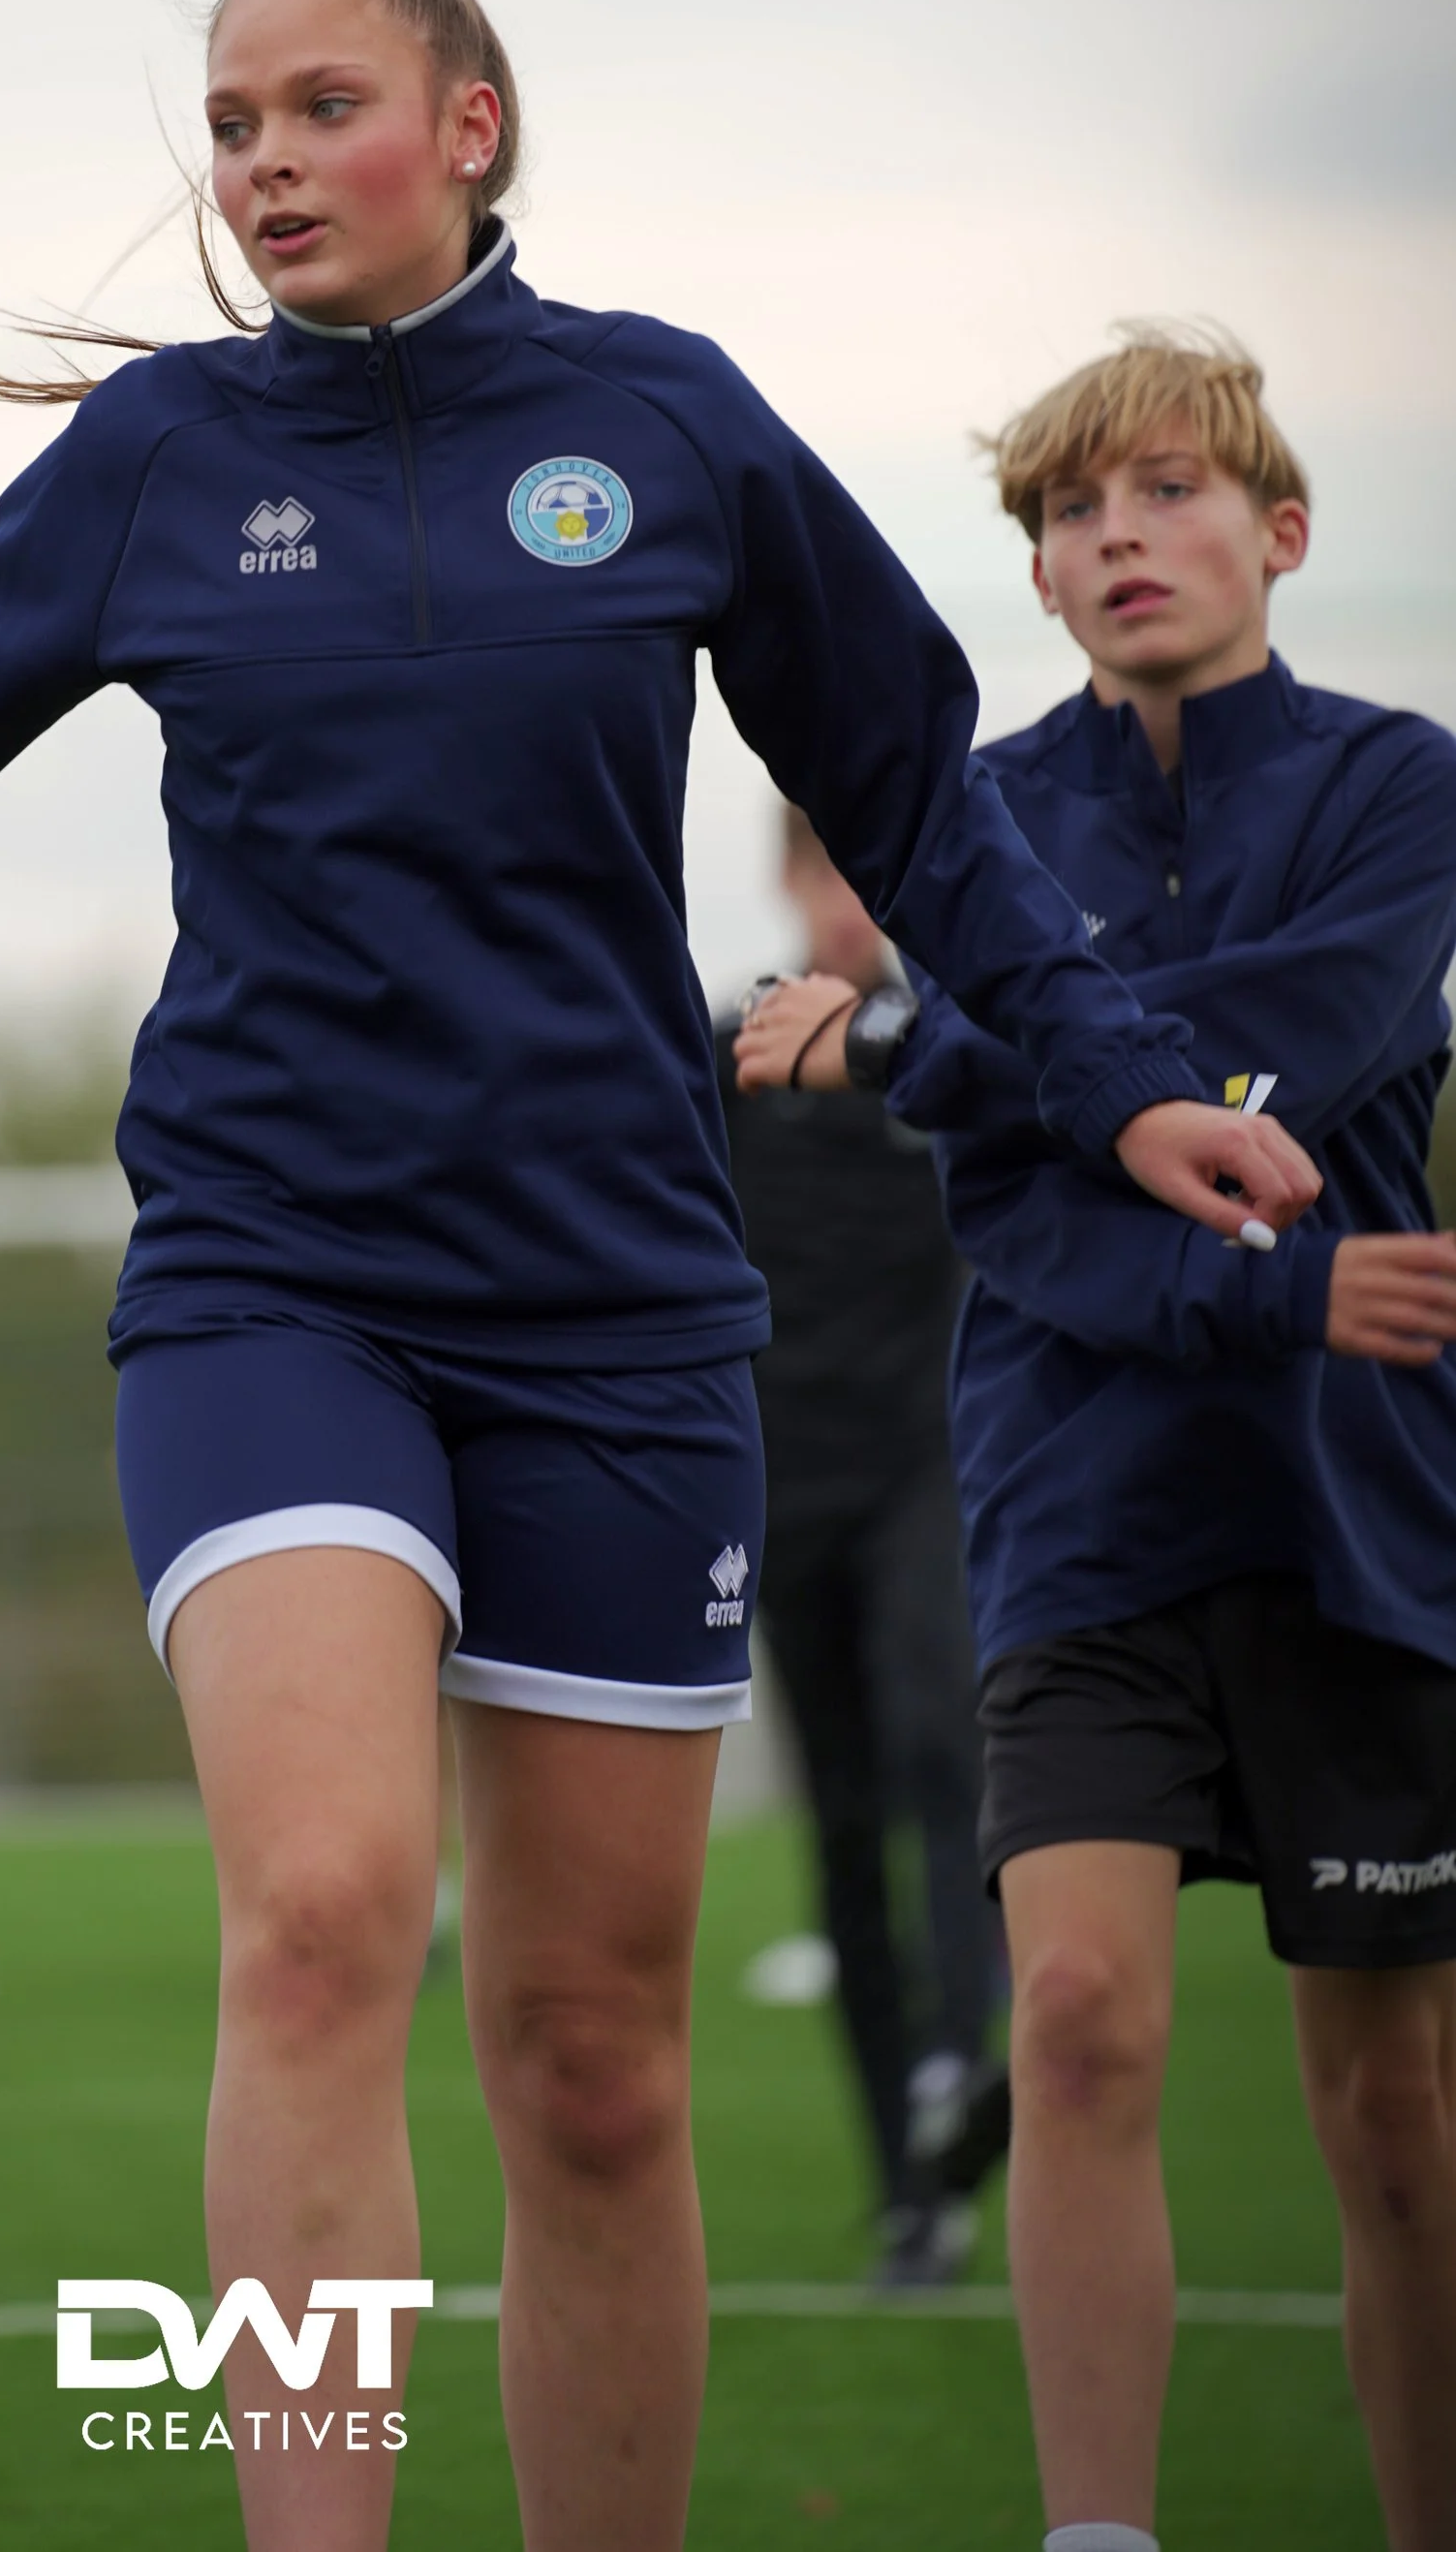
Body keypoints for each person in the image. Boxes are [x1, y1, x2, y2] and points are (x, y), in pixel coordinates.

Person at [0, 0, 1315, 2552]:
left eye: (315, 106)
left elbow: (926, 802)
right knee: (330, 1914)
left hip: (610, 1303)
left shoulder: (670, 426)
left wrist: (1129, 1078)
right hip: (276, 1280)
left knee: (590, 2045)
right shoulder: (155, 462)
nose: (257, 161)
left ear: (469, 129)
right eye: (225, 124)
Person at [736, 326, 1456, 2552]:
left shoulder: (1400, 782)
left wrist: (931, 1037)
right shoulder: (983, 819)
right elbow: (1034, 1212)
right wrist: (1245, 1260)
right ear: (1036, 575)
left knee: (1394, 2113)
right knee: (1071, 2015)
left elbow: (1290, 1054)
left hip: (1369, 1511)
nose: (1117, 532)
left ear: (1281, 529)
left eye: (1163, 489)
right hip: (1075, 1506)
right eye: (1070, 510)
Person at [722, 810, 1006, 2287]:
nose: (846, 899)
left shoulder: (948, 1049)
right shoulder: (728, 1051)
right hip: (783, 1489)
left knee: (940, 1746)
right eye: (824, 866)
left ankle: (963, 2066)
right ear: (785, 880)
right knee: (838, 1826)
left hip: (928, 1467)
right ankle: (908, 2182)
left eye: (867, 865)